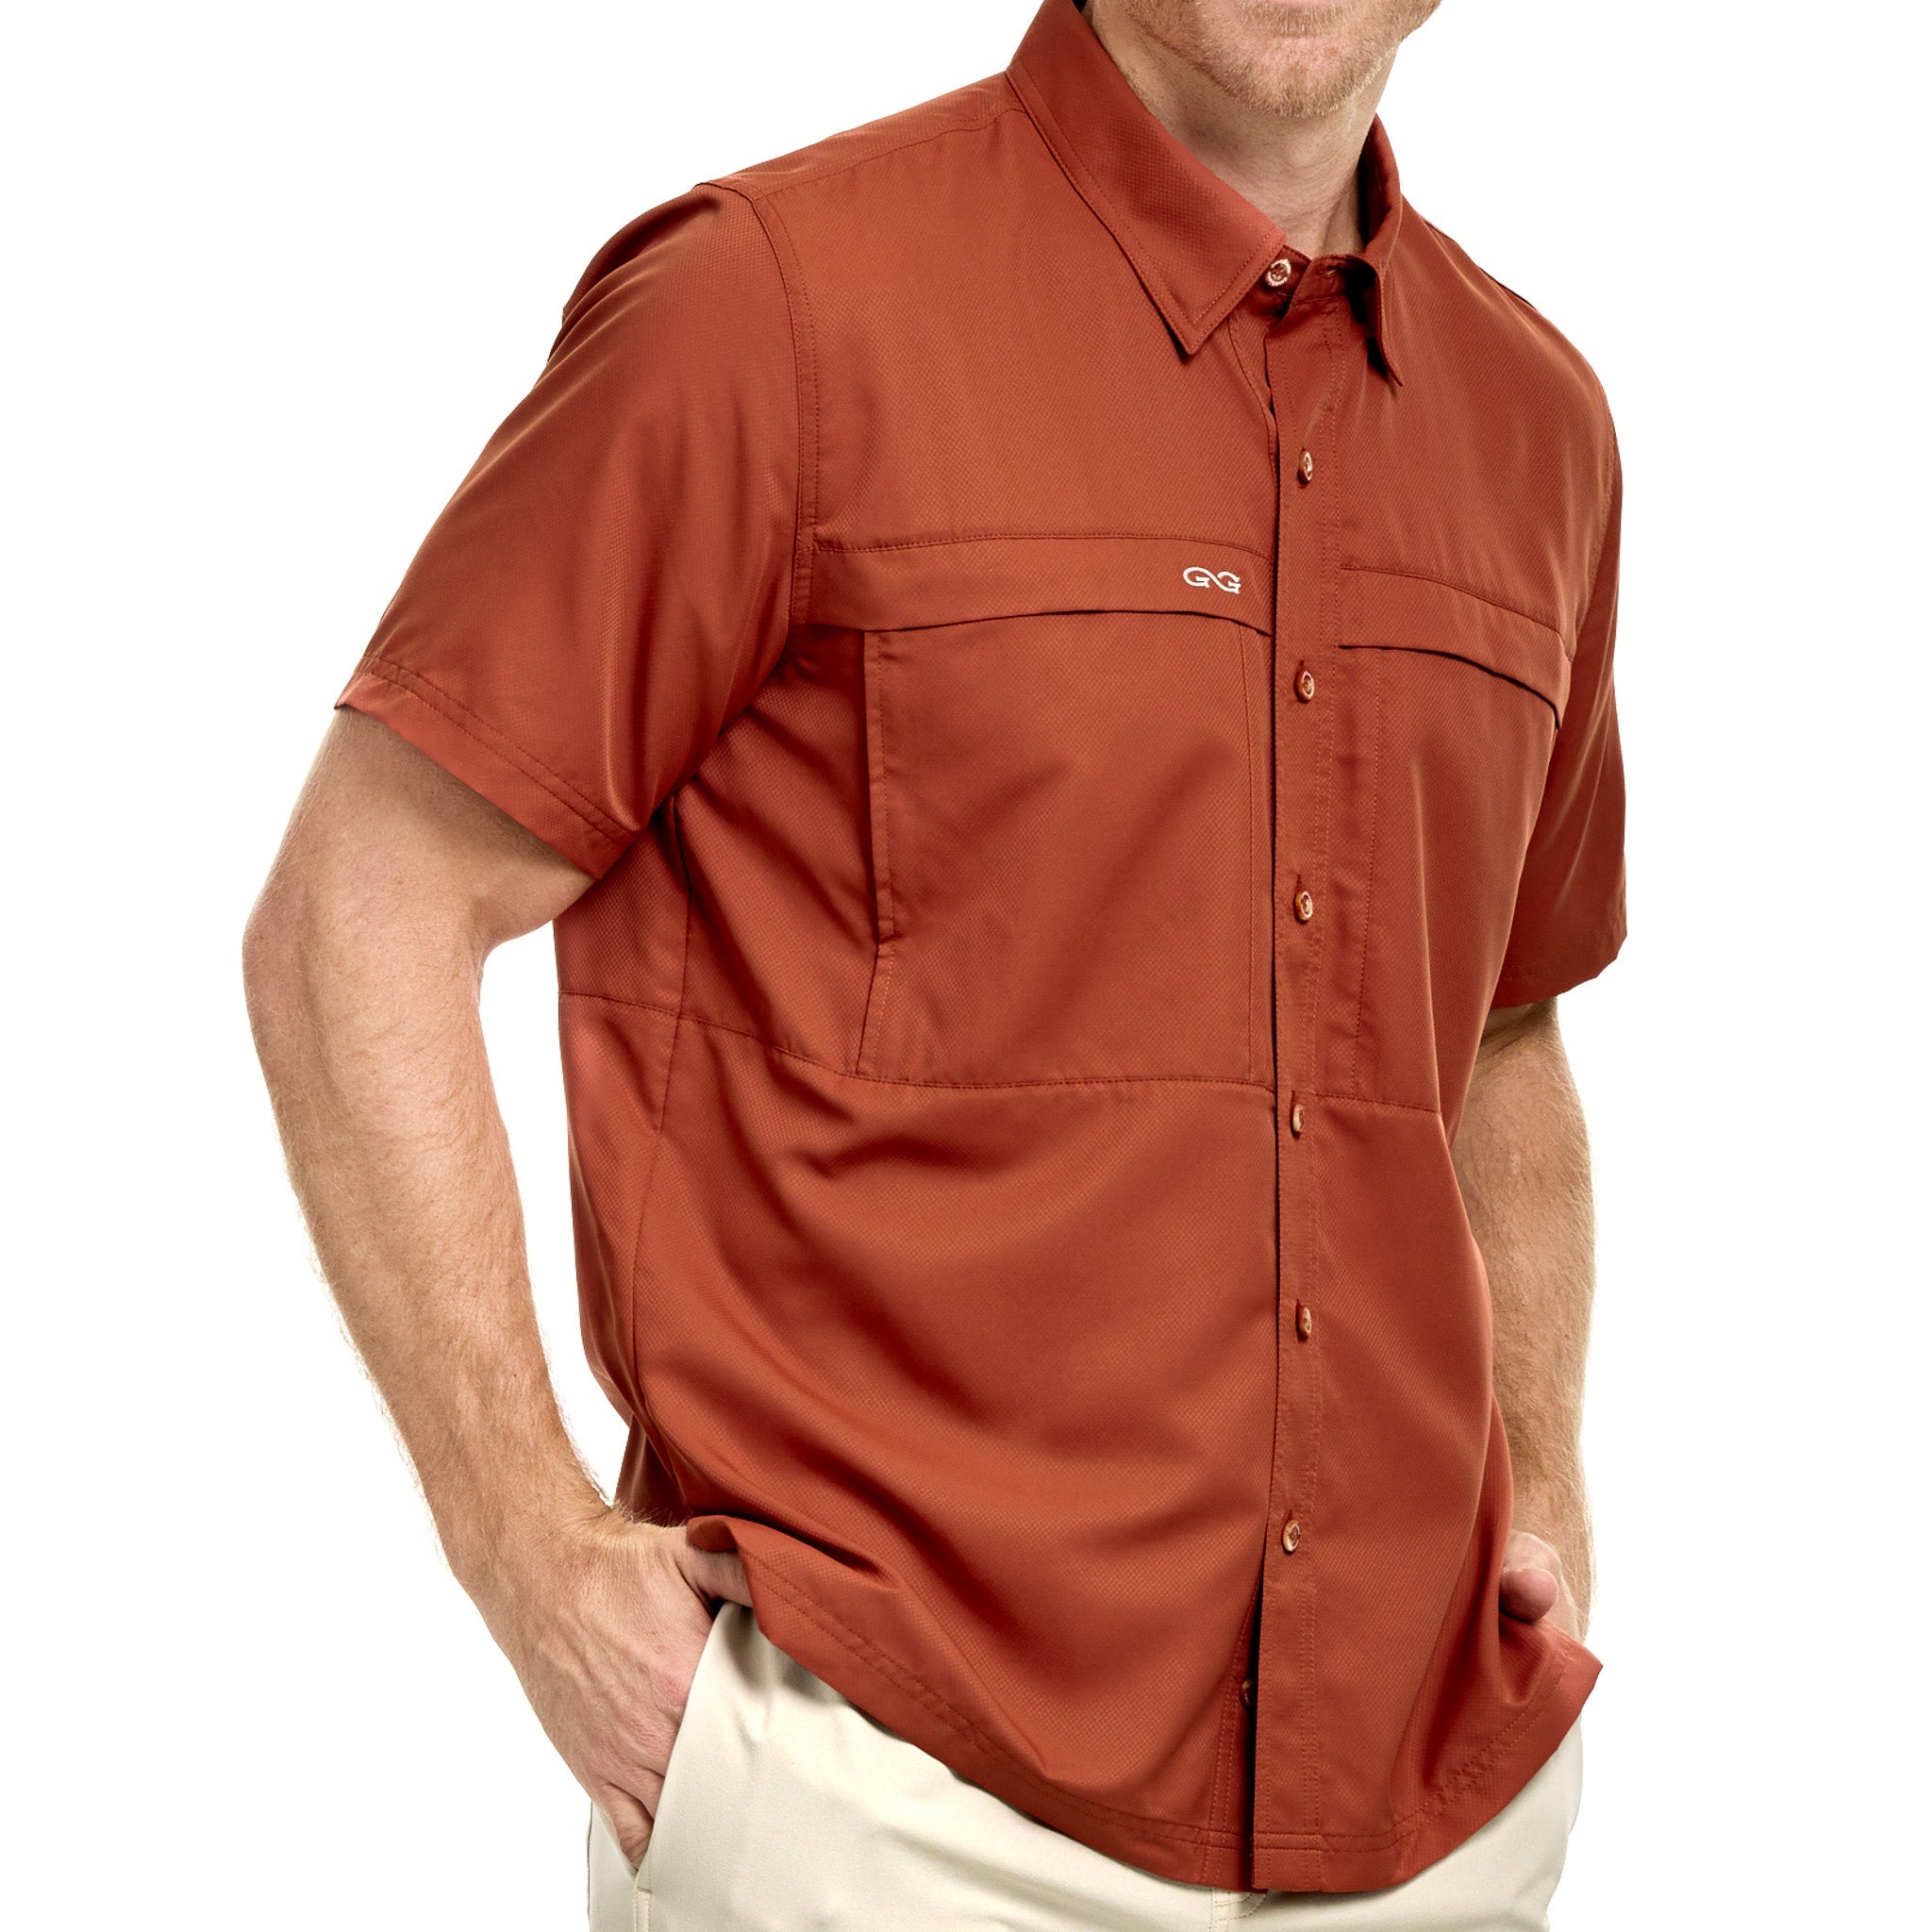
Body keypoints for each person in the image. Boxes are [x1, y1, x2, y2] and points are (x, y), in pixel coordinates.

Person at [243, 1, 1626, 1924]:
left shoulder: (1536, 423)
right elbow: (361, 905)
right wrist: (528, 1556)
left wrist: (1544, 1486)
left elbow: (1500, 1028)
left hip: (1417, 1824)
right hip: (883, 1799)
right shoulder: (767, 308)